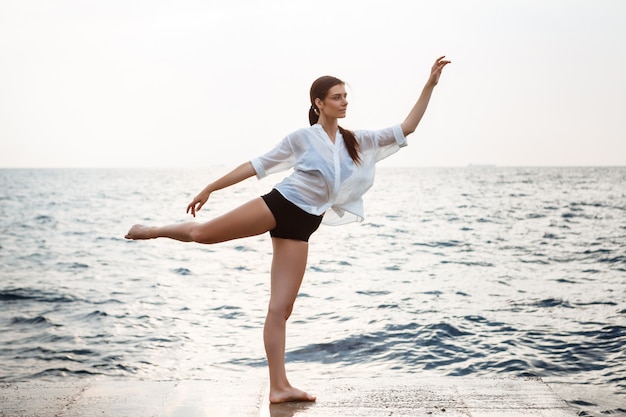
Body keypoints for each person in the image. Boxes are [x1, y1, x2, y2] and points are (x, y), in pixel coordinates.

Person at [125, 56, 451, 403]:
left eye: (345, 96)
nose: (344, 102)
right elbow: (256, 165)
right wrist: (210, 188)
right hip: (278, 207)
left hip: (304, 226)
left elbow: (407, 127)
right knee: (202, 234)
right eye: (337, 97)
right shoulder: (302, 139)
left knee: (281, 308)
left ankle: (278, 387)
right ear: (319, 103)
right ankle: (154, 230)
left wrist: (429, 84)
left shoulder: (359, 141)